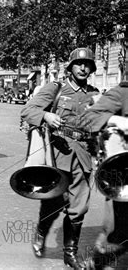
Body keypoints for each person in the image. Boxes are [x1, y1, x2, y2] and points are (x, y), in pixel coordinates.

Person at [21, 47, 100, 269]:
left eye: (87, 65)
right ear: (71, 68)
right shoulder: (56, 88)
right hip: (58, 154)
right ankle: (41, 231)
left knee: (79, 207)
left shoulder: (95, 94)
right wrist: (46, 115)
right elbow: (27, 110)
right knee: (54, 202)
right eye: (78, 64)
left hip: (83, 154)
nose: (83, 68)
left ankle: (70, 254)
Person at [78, 74, 128, 270]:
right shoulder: (124, 92)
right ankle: (95, 264)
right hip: (125, 178)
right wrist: (116, 120)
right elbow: (85, 120)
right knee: (116, 234)